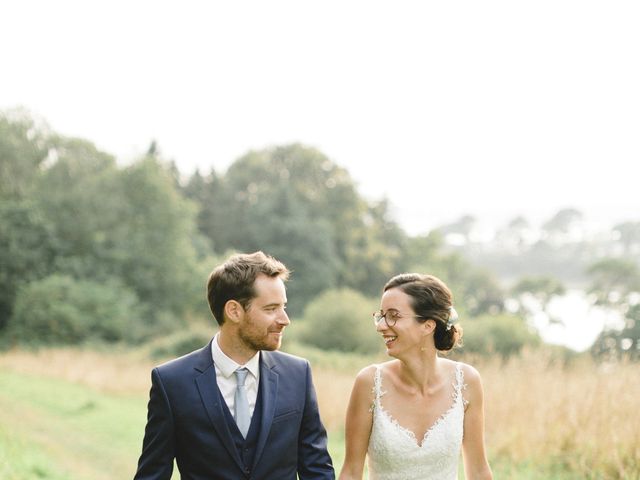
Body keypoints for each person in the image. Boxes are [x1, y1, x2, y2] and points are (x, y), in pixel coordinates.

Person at [134, 251, 335, 480]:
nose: (284, 319)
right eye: (271, 309)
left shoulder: (298, 374)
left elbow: (317, 470)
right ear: (234, 311)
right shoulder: (171, 382)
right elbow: (152, 475)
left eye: (284, 307)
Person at [339, 273, 492, 480]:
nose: (381, 325)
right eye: (381, 315)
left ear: (428, 326)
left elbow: (479, 471)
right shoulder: (369, 382)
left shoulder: (466, 381)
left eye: (393, 315)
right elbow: (351, 472)